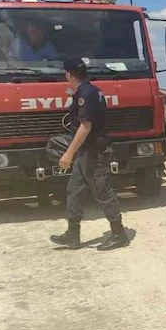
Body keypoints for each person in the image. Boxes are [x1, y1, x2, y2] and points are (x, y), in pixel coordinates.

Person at [50, 56, 130, 251]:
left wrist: (68, 154)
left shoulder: (86, 92)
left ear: (68, 74)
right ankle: (73, 235)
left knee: (103, 192)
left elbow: (85, 126)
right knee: (74, 189)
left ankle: (119, 234)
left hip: (95, 152)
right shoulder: (90, 90)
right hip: (86, 152)